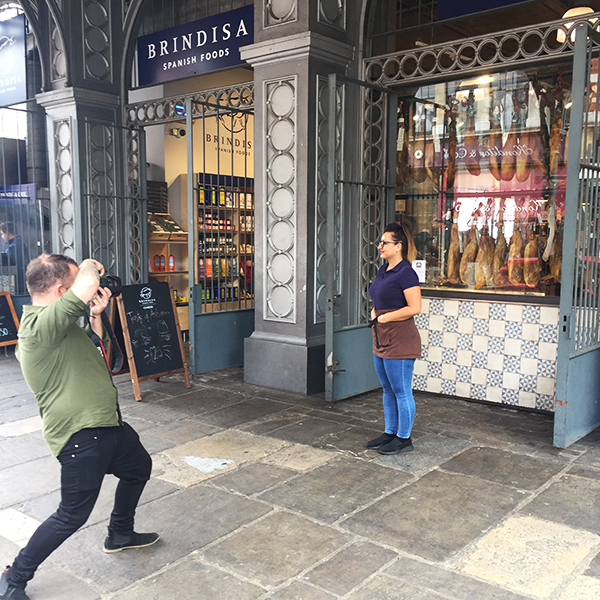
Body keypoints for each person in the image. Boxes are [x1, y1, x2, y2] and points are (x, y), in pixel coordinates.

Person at [0, 254, 159, 600]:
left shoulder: (61, 326)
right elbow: (87, 281)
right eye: (77, 287)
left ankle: (120, 533)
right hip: (80, 435)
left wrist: (96, 316)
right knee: (71, 515)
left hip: (108, 424)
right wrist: (88, 266)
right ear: (61, 290)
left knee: (139, 468)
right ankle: (14, 577)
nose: (89, 291)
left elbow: (97, 353)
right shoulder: (38, 327)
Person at [367, 220, 422, 455]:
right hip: (381, 336)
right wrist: (374, 311)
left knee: (401, 390)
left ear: (398, 246)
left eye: (384, 242)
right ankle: (390, 432)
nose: (380, 246)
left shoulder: (406, 273)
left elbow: (415, 307)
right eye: (380, 242)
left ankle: (404, 438)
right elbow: (380, 297)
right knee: (387, 389)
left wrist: (386, 318)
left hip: (400, 339)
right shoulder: (384, 270)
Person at [0, 221, 30, 295]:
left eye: (2, 234)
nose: (2, 237)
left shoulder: (16, 246)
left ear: (8, 234)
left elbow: (13, 263)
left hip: (18, 281)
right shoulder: (13, 244)